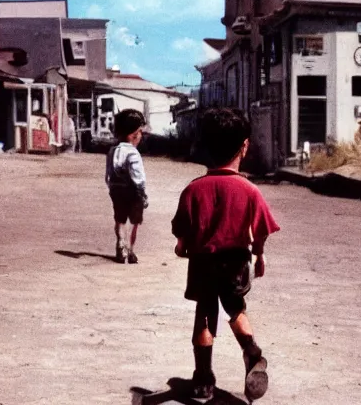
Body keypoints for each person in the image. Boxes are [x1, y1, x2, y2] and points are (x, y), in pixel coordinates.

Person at [171, 108, 280, 402]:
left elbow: (182, 237)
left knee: (205, 317)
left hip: (203, 263)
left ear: (205, 146)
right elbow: (262, 230)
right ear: (244, 146)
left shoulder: (193, 190)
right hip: (236, 261)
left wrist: (183, 247)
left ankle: (203, 379)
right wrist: (259, 254)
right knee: (236, 309)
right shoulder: (249, 190)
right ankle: (252, 353)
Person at [105, 109, 148, 264]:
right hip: (132, 190)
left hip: (116, 189)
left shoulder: (112, 151)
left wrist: (111, 188)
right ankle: (130, 250)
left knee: (120, 219)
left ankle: (120, 245)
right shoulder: (133, 153)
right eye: (140, 132)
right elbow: (138, 176)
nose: (141, 136)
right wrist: (142, 193)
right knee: (135, 221)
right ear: (133, 134)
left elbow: (108, 174)